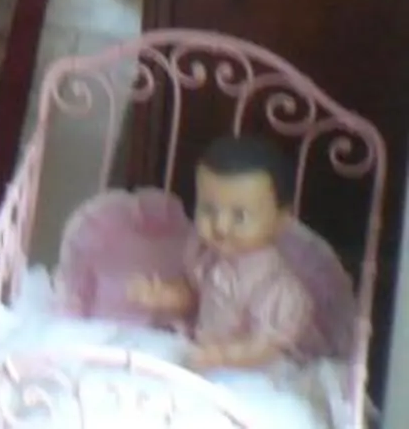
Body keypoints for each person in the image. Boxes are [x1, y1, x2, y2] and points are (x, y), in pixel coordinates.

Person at [129, 135, 321, 374]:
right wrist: (164, 295)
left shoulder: (277, 287)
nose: (220, 226)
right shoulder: (205, 256)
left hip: (256, 370)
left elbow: (267, 347)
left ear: (281, 220)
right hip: (206, 353)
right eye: (208, 210)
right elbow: (195, 295)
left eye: (239, 216)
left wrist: (224, 355)